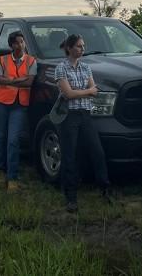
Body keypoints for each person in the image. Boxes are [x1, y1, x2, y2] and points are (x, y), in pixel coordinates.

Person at [55, 34, 111, 213]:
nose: (82, 49)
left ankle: (104, 188)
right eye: (79, 46)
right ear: (69, 48)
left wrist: (83, 92)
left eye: (83, 46)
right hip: (69, 115)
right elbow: (68, 94)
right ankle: (70, 196)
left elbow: (94, 91)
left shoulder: (86, 67)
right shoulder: (61, 68)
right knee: (69, 153)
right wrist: (86, 91)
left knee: (97, 151)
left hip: (85, 113)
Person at [0, 31, 37, 192]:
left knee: (13, 140)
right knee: (0, 138)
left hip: (19, 105)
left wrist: (9, 81)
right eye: (17, 42)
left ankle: (12, 178)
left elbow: (30, 82)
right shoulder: (3, 60)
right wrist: (16, 80)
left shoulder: (32, 61)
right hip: (1, 102)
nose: (21, 45)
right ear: (11, 45)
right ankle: (1, 173)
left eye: (22, 42)